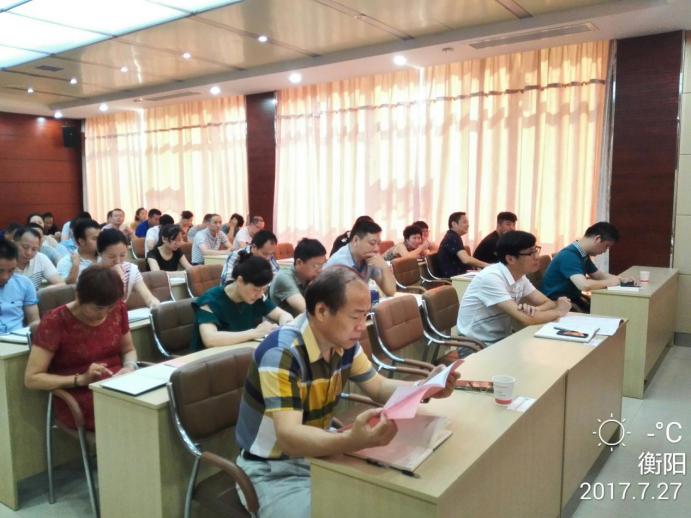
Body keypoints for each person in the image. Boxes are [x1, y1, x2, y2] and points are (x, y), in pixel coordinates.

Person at [234, 267, 459, 518]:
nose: (362, 327)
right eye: (355, 316)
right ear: (322, 311)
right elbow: (289, 437)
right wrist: (351, 440)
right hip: (274, 468)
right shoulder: (281, 353)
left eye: (366, 316)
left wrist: (425, 388)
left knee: (389, 499)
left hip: (322, 450)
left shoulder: (344, 343)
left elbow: (378, 387)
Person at [24, 266, 138, 431]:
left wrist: (129, 367)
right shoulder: (55, 322)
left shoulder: (118, 309)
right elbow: (32, 379)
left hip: (116, 385)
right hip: (78, 394)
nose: (105, 313)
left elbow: (128, 350)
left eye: (110, 307)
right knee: (129, 415)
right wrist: (81, 379)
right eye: (98, 308)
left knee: (151, 404)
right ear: (78, 296)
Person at [458, 231, 571, 345]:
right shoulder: (491, 278)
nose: (537, 257)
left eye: (536, 250)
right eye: (530, 253)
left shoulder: (519, 276)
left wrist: (535, 310)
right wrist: (559, 311)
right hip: (476, 345)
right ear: (510, 259)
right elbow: (526, 319)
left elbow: (548, 303)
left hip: (502, 340)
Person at [191, 253, 293, 350]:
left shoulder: (257, 298)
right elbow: (210, 339)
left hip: (241, 353)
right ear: (240, 281)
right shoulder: (210, 300)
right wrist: (255, 333)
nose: (259, 295)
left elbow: (284, 315)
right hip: (209, 358)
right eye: (256, 289)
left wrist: (283, 326)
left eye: (264, 289)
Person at [541, 222, 629, 312]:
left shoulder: (582, 253)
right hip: (557, 303)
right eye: (606, 246)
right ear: (597, 239)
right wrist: (610, 282)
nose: (605, 251)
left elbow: (598, 275)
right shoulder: (569, 255)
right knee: (605, 310)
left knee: (603, 308)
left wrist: (621, 280)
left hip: (571, 299)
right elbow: (583, 285)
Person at [325, 219, 396, 296]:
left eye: (378, 244)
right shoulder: (340, 262)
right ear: (356, 240)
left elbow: (390, 292)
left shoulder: (370, 258)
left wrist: (384, 267)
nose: (377, 249)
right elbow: (350, 298)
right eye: (372, 243)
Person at [96, 229, 160, 308]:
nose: (118, 261)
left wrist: (154, 304)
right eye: (111, 257)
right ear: (99, 253)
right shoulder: (92, 274)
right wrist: (119, 279)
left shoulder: (131, 270)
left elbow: (148, 297)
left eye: (122, 255)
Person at [269, 238, 327, 315]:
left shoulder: (310, 278)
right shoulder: (284, 278)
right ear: (299, 262)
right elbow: (306, 311)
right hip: (281, 322)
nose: (320, 270)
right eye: (316, 266)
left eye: (323, 265)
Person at [0, 240, 39, 333]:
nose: (5, 277)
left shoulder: (25, 284)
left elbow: (34, 321)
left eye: (11, 270)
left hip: (17, 338)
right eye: (0, 271)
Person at [437, 212, 488, 277]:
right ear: (454, 224)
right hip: (454, 279)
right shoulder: (452, 237)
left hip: (460, 275)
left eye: (467, 222)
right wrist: (487, 265)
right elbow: (466, 259)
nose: (468, 225)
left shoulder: (453, 236)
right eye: (464, 222)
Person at [56, 218, 100, 284]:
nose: (100, 241)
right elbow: (65, 287)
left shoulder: (106, 257)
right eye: (95, 239)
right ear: (81, 241)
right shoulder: (66, 262)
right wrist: (75, 266)